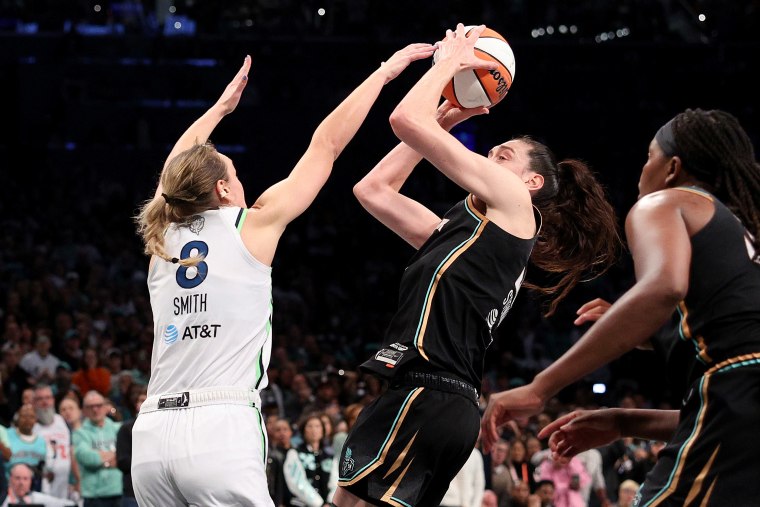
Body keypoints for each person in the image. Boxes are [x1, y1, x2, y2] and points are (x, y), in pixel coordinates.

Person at [130, 43, 438, 506]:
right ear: (221, 188)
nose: (241, 179)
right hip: (219, 428)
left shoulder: (161, 235)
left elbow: (174, 171)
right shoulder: (253, 223)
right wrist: (383, 73)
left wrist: (217, 109)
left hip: (151, 436)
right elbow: (327, 144)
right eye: (234, 173)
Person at [333, 24, 619, 507]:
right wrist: (442, 120)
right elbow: (373, 191)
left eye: (502, 156)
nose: (488, 159)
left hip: (429, 393)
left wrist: (453, 60)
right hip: (440, 398)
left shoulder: (515, 204)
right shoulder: (473, 237)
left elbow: (404, 118)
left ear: (530, 181)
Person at [481, 108, 760, 505]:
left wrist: (541, 388)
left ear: (673, 167)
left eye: (649, 156)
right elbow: (722, 407)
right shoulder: (745, 237)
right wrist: (623, 420)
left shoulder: (665, 202)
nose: (642, 170)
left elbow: (663, 288)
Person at [73, 391, 122, 506]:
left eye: (99, 405)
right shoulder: (79, 433)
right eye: (90, 407)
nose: (95, 409)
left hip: (118, 491)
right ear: (84, 411)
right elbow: (87, 458)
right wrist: (113, 457)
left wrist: (100, 458)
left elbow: (125, 455)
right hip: (93, 496)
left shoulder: (118, 428)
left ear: (105, 407)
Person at [32, 385, 73, 500]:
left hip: (66, 484)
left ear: (53, 400)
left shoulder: (63, 422)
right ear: (34, 403)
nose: (45, 402)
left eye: (48, 397)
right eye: (40, 399)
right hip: (42, 485)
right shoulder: (31, 426)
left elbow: (73, 450)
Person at [1, 463, 75, 507]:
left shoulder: (36, 498)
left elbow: (66, 504)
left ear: (31, 481)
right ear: (10, 480)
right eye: (17, 478)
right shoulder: (3, 500)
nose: (21, 483)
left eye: (25, 479)